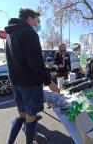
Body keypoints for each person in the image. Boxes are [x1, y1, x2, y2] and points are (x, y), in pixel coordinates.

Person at [4, 8, 60, 144]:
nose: (38, 23)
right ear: (30, 18)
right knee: (30, 118)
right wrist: (50, 83)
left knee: (21, 115)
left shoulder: (10, 35)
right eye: (37, 20)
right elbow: (36, 63)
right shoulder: (29, 33)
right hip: (29, 84)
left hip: (16, 83)